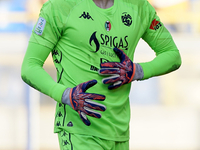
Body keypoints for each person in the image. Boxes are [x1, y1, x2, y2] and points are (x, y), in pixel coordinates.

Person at [21, 0, 182, 149]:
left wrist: (137, 71)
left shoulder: (138, 6)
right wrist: (66, 95)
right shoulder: (59, 7)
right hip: (78, 131)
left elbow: (172, 55)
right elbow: (29, 67)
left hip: (119, 132)